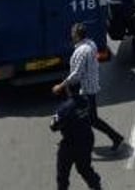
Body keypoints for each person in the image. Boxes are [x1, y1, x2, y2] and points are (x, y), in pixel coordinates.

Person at [53, 22, 124, 155]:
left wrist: (61, 86)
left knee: (85, 118)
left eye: (72, 33)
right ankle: (113, 137)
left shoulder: (82, 51)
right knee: (85, 117)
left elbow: (76, 74)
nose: (71, 35)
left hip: (84, 90)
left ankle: (114, 137)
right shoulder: (91, 44)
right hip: (89, 86)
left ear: (77, 35)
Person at [51, 87, 103, 190]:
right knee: (84, 168)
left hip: (70, 144)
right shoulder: (85, 101)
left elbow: (53, 126)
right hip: (87, 139)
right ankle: (96, 186)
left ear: (68, 90)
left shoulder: (64, 108)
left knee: (63, 173)